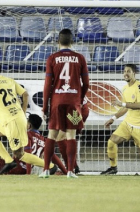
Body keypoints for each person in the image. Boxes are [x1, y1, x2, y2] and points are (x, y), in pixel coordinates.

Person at [41, 28, 89, 179]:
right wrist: (79, 100)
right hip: (73, 103)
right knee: (71, 135)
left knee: (52, 135)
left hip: (57, 102)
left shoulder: (52, 58)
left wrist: (44, 107)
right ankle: (70, 171)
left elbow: (48, 85)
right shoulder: (80, 58)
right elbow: (86, 83)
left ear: (58, 41)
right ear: (72, 41)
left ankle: (45, 170)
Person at [101, 64, 140, 176]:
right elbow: (125, 107)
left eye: (128, 71)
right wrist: (113, 118)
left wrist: (121, 103)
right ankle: (113, 168)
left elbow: (139, 105)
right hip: (128, 123)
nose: (125, 73)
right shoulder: (125, 88)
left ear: (134, 73)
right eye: (124, 71)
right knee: (111, 142)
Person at [55, 101, 89, 174]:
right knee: (67, 138)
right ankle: (72, 167)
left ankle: (71, 167)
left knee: (62, 138)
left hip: (74, 109)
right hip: (77, 108)